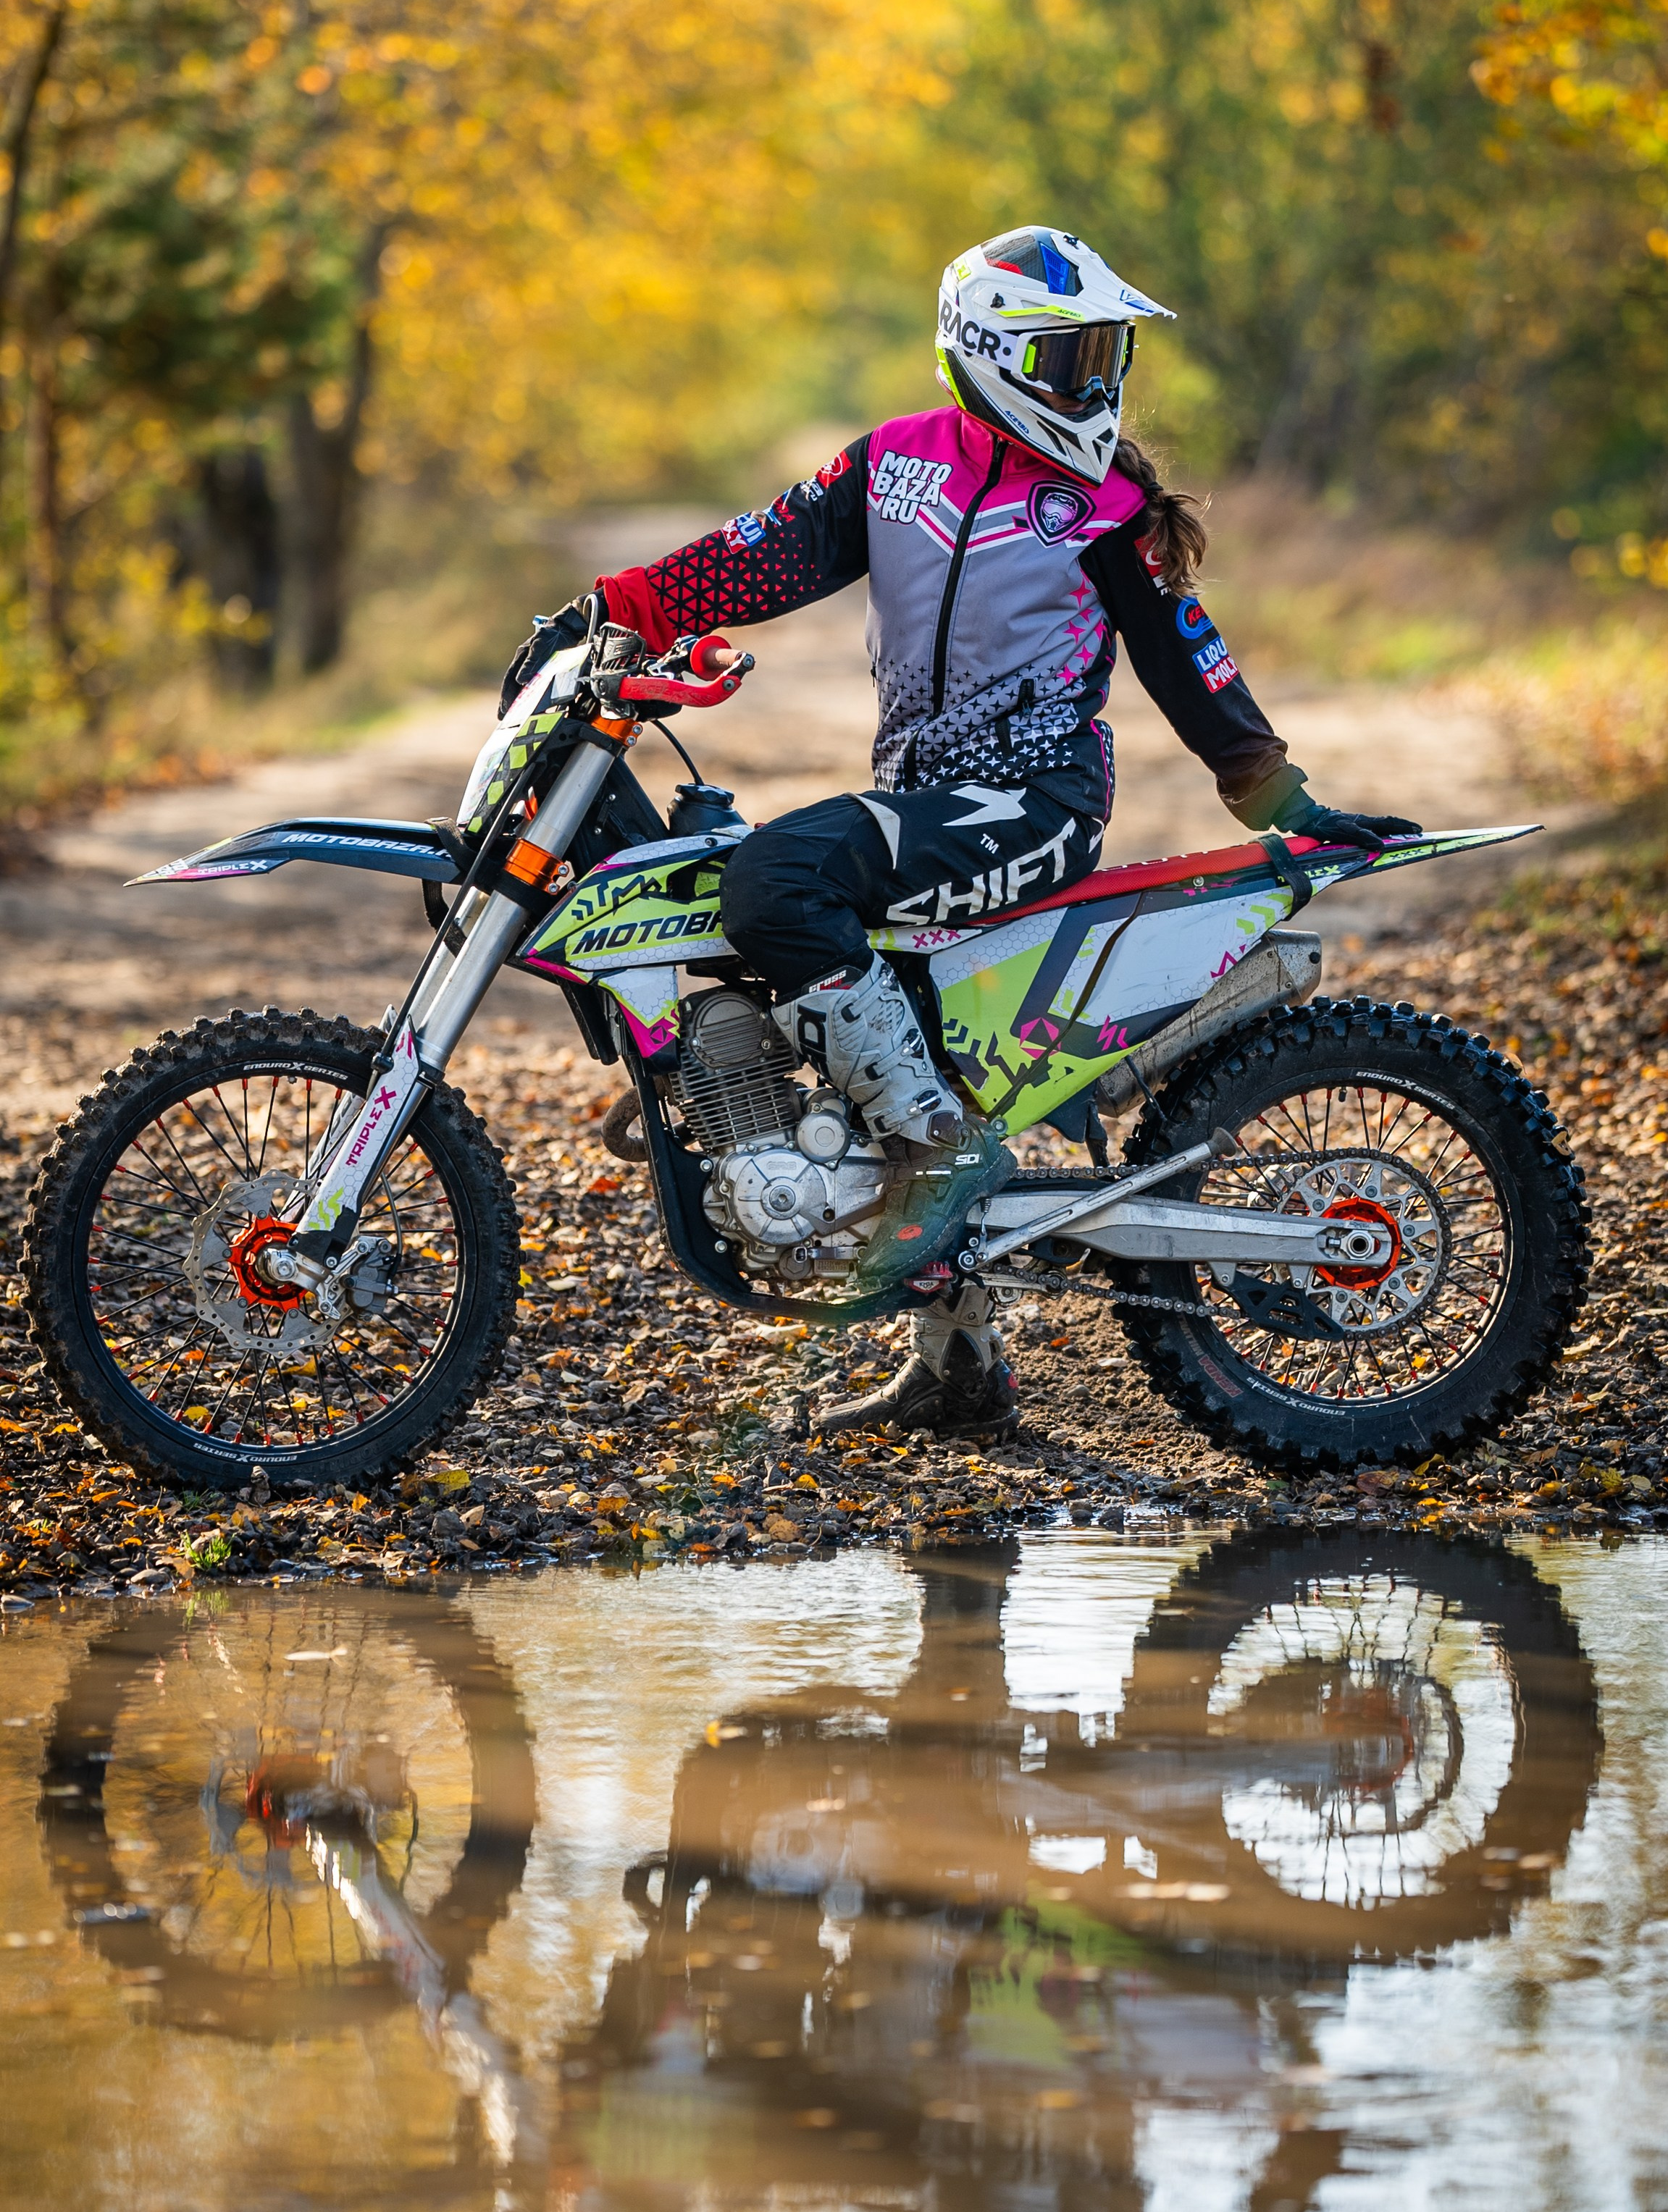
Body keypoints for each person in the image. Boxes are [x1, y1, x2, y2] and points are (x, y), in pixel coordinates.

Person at [504, 226, 1419, 1437]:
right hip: (923, 798)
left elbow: (1189, 663)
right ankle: (961, 1369)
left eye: (1108, 358)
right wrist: (609, 610)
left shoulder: (1106, 503)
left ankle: (937, 1153)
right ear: (988, 354)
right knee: (878, 1002)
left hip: (1036, 808)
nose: (1097, 385)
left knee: (776, 881)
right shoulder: (894, 467)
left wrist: (1280, 804)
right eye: (1069, 357)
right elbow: (752, 560)